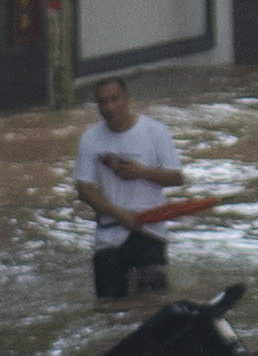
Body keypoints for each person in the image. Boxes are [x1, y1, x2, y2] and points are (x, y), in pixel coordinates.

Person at [70, 77, 196, 304]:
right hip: (109, 236)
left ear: (127, 99)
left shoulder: (155, 131)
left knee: (152, 305)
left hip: (149, 230)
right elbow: (84, 189)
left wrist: (142, 172)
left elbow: (176, 178)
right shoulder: (90, 139)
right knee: (109, 309)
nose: (109, 107)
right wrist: (120, 214)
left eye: (114, 99)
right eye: (103, 102)